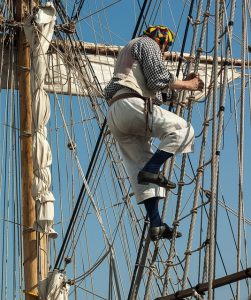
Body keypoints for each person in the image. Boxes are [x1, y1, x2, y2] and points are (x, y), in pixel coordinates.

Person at [104, 25, 204, 242]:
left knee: (137, 170)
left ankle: (156, 223)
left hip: (115, 114)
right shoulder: (147, 43)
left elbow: (155, 91)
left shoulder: (127, 53)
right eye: (165, 49)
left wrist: (179, 86)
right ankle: (153, 168)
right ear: (162, 41)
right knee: (184, 130)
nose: (164, 54)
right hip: (131, 105)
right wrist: (190, 84)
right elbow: (158, 79)